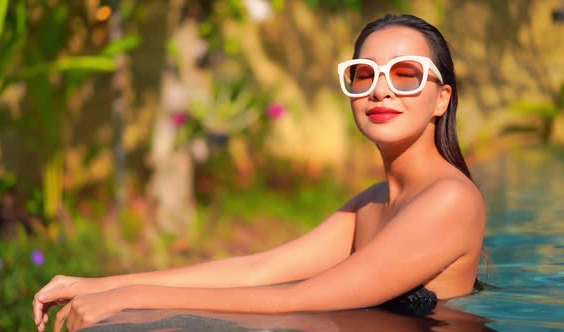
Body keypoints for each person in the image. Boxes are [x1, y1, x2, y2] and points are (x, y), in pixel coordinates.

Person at [33, 14, 486, 332]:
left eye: (405, 75)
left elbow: (298, 298)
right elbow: (262, 268)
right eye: (363, 74)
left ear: (441, 99)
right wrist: (98, 285)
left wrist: (134, 299)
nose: (381, 90)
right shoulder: (372, 202)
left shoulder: (450, 199)